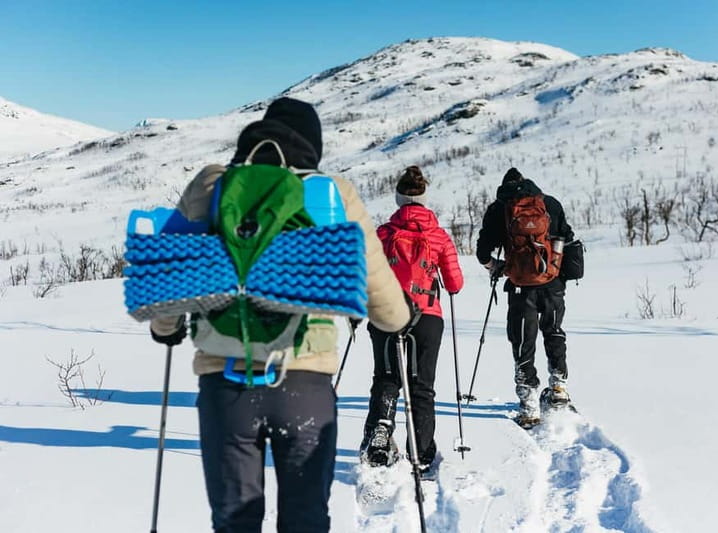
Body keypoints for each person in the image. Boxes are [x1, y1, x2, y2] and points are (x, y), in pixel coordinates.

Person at [148, 97, 411, 533]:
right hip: (305, 382)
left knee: (235, 521)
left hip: (225, 383)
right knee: (305, 519)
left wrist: (166, 328)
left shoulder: (212, 183)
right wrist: (399, 320)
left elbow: (171, 272)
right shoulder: (332, 192)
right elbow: (380, 293)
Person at [360, 165, 464, 472]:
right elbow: (455, 284)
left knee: (386, 378)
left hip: (387, 314)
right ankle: (421, 452)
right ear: (424, 198)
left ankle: (380, 434)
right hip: (428, 316)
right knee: (422, 386)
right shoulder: (438, 236)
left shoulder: (383, 233)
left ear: (398, 199)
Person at [475, 167, 575, 426]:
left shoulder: (499, 210)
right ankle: (559, 388)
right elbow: (567, 238)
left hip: (521, 288)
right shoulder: (549, 204)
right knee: (554, 332)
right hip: (552, 283)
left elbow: (482, 252)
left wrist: (496, 267)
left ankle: (529, 403)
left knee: (523, 341)